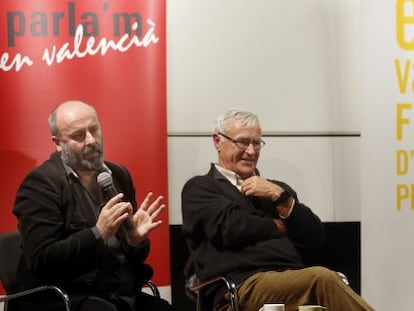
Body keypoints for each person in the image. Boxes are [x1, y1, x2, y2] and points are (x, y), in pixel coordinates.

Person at [181, 109, 374, 311]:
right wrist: (280, 226)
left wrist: (280, 197)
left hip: (291, 279)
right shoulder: (201, 188)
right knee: (322, 279)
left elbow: (315, 237)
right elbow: (232, 228)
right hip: (240, 285)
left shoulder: (275, 190)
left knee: (323, 281)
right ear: (217, 141)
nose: (251, 151)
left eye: (256, 143)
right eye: (243, 142)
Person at [12, 100, 173, 311]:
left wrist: (135, 241)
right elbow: (42, 259)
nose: (91, 140)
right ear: (58, 142)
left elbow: (130, 258)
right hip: (69, 297)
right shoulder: (41, 184)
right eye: (79, 135)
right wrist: (98, 233)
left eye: (94, 130)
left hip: (120, 294)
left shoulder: (118, 175)